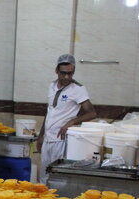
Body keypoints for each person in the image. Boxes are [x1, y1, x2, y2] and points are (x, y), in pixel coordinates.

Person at [36, 54, 96, 183]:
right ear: (57, 71)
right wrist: (41, 136)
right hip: (48, 139)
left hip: (61, 140)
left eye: (70, 73)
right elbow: (49, 112)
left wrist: (71, 122)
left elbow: (91, 113)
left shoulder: (78, 89)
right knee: (43, 176)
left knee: (57, 177)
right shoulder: (51, 86)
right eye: (63, 73)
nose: (67, 77)